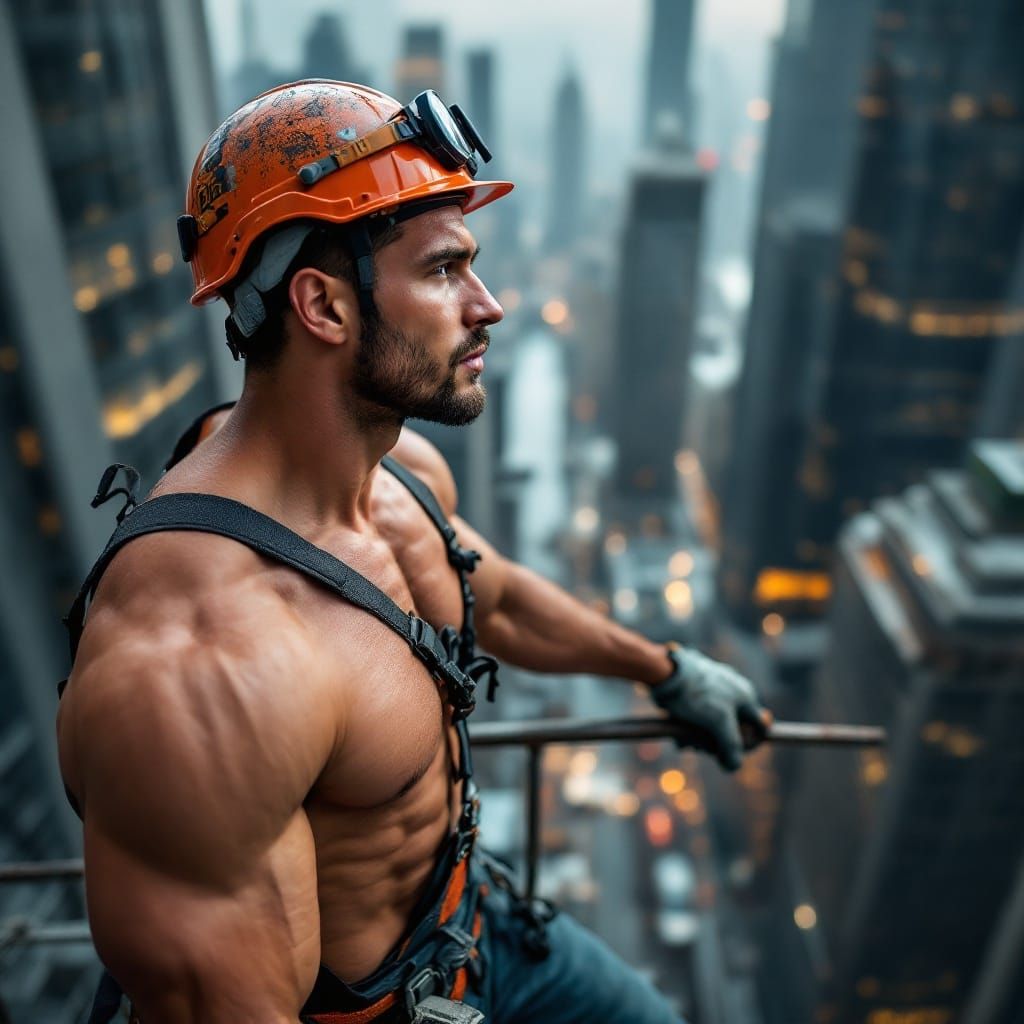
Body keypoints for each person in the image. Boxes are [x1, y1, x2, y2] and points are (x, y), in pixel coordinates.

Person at [56, 80, 769, 1024]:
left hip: (485, 929)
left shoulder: (402, 474)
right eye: (443, 271)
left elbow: (494, 598)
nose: (490, 306)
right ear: (323, 305)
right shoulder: (197, 671)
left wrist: (665, 670)